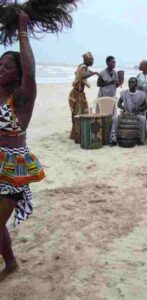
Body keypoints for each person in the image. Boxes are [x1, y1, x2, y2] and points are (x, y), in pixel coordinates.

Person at [0, 12, 45, 281]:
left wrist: (22, 31)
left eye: (7, 66)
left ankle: (11, 263)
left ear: (17, 72)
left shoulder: (22, 96)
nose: (1, 69)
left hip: (13, 167)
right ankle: (11, 262)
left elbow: (31, 70)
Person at [68, 52, 99, 140]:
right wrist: (93, 73)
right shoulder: (83, 67)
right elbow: (83, 75)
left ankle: (76, 133)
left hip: (78, 93)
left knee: (78, 114)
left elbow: (84, 72)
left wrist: (95, 73)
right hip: (77, 94)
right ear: (87, 60)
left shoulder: (82, 67)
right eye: (91, 60)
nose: (92, 61)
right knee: (78, 114)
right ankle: (77, 135)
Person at [110, 77, 147, 145]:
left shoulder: (141, 94)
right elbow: (119, 103)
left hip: (136, 115)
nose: (130, 83)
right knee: (115, 119)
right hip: (126, 114)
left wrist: (138, 109)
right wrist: (123, 108)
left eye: (132, 82)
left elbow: (146, 106)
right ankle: (113, 139)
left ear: (136, 84)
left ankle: (141, 139)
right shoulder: (124, 93)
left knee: (143, 119)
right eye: (129, 82)